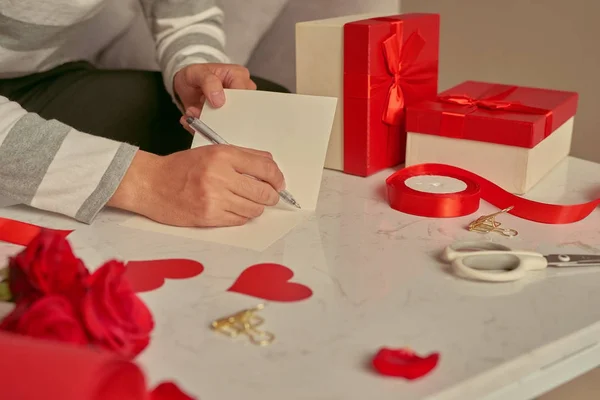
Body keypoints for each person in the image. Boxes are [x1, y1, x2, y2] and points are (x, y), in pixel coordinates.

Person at [0, 1, 289, 228]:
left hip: (36, 78)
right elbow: (151, 182)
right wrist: (146, 182)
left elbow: (184, 15)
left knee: (273, 106)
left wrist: (195, 66)